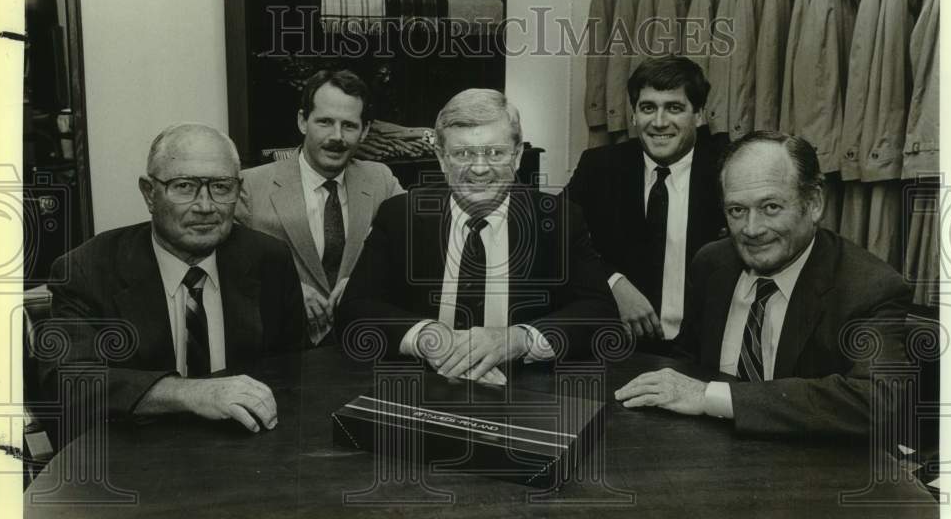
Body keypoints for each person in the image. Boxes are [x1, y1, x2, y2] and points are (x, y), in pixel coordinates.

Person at [615, 131, 912, 437]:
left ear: (814, 203)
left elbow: (879, 402)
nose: (752, 229)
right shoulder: (712, 264)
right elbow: (690, 363)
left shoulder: (868, 287)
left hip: (811, 467)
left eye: (770, 207)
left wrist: (714, 398)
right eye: (737, 211)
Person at [337, 88, 617, 383]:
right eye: (462, 154)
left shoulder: (558, 218)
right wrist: (425, 336)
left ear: (518, 155)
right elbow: (355, 310)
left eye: (495, 153)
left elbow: (599, 314)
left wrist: (518, 340)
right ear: (442, 159)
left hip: (523, 395)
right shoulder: (401, 216)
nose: (480, 169)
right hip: (423, 388)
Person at [43, 124, 306, 434]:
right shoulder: (87, 269)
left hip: (245, 451)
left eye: (221, 187)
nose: (205, 206)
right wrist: (189, 393)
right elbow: (67, 381)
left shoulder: (269, 259)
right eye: (184, 186)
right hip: (137, 457)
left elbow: (296, 374)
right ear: (149, 193)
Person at [566, 55, 725, 351]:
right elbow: (555, 242)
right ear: (634, 115)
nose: (659, 122)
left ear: (700, 115)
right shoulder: (599, 167)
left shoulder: (727, 171)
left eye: (674, 108)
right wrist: (613, 282)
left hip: (705, 352)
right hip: (616, 348)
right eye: (648, 108)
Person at [237, 68, 403, 344]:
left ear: (366, 131)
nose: (337, 136)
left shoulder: (380, 180)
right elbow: (226, 264)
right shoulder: (251, 186)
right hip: (280, 348)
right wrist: (283, 287)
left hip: (360, 346)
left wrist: (364, 282)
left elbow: (408, 250)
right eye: (325, 122)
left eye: (349, 125)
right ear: (303, 121)